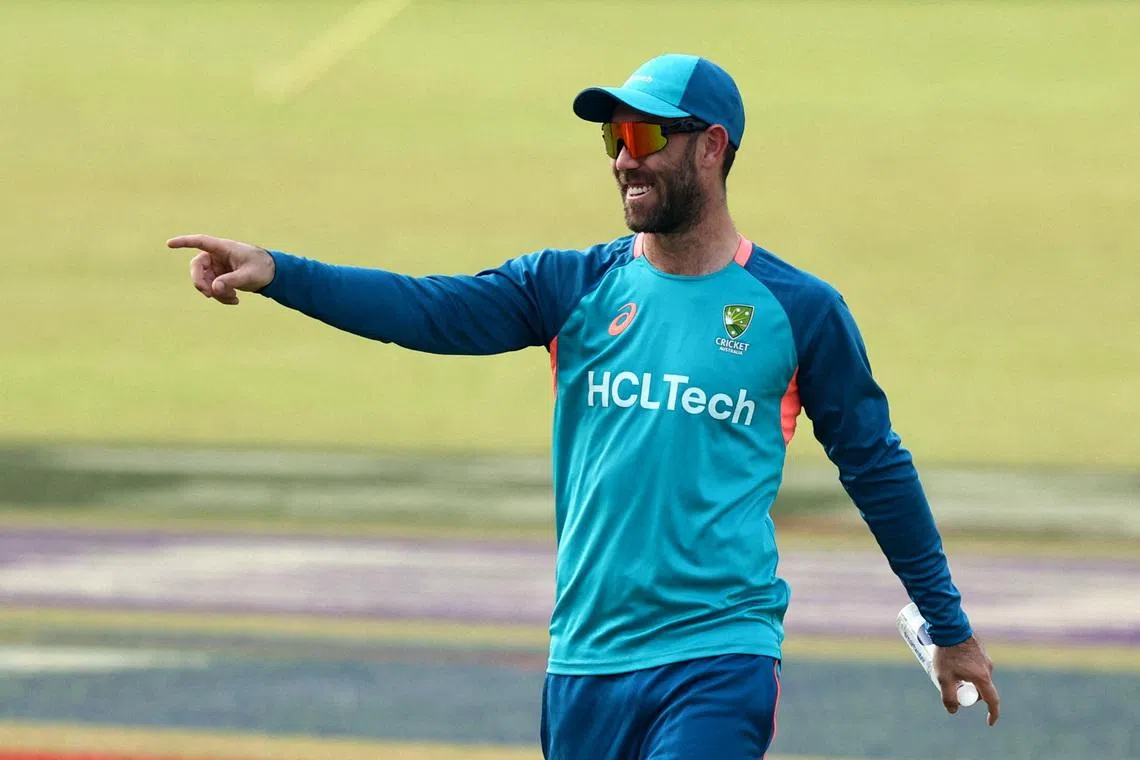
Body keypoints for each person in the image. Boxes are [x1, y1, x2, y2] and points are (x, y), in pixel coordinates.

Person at [169, 53, 999, 759]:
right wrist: (281, 272)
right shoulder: (571, 286)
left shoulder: (798, 310)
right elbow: (425, 310)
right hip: (583, 667)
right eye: (613, 137)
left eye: (644, 137)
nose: (622, 159)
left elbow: (876, 465)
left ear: (712, 148)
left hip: (717, 657)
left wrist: (948, 625)